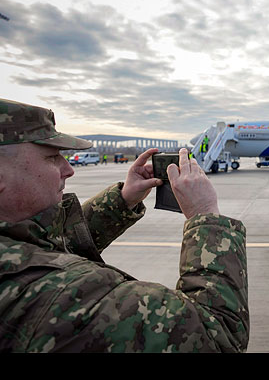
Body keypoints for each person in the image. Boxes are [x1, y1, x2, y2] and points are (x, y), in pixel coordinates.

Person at [0, 98, 249, 353]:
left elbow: (45, 246)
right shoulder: (65, 295)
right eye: (52, 157)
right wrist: (205, 215)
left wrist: (122, 200)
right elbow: (217, 336)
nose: (68, 169)